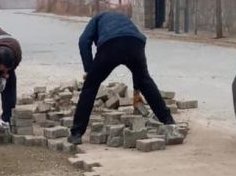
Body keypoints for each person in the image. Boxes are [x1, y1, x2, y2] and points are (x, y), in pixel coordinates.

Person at [68, 11, 183, 144]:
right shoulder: (123, 19)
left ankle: (76, 133)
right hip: (136, 43)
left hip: (110, 45)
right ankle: (168, 121)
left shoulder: (96, 19)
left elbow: (83, 42)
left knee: (90, 87)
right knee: (145, 80)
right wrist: (137, 89)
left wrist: (89, 70)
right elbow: (130, 40)